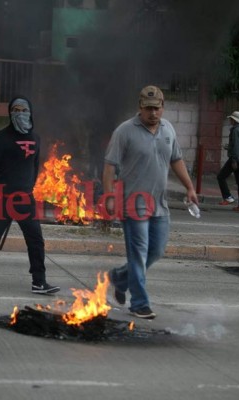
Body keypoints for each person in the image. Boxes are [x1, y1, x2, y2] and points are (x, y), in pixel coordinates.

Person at [103, 85, 198, 319]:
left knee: (155, 251)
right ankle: (139, 303)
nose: (153, 113)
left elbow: (176, 160)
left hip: (159, 204)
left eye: (157, 108)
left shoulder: (168, 130)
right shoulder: (125, 131)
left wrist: (189, 187)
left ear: (163, 107)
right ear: (140, 108)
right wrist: (108, 197)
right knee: (138, 253)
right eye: (148, 108)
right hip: (133, 203)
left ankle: (118, 277)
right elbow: (109, 166)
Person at [0, 96, 61, 295]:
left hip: (25, 198)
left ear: (30, 112)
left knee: (35, 239)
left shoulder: (35, 138)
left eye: (23, 110)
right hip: (4, 197)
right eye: (15, 110)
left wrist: (30, 187)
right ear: (10, 112)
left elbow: (34, 166)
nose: (19, 113)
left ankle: (39, 281)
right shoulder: (2, 137)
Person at [217, 111, 239, 211]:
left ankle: (228, 197)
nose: (230, 121)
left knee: (221, 176)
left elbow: (237, 146)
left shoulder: (235, 131)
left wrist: (234, 160)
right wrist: (228, 147)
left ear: (235, 120)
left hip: (236, 158)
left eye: (231, 119)